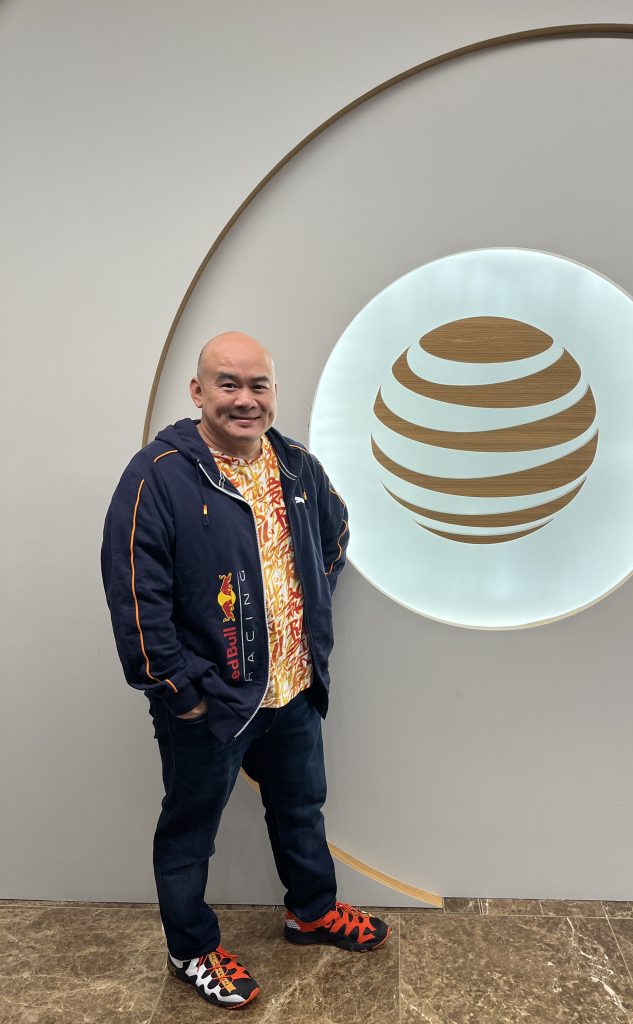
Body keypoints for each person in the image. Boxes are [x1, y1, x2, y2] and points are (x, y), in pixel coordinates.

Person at [101, 331, 389, 1010]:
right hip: (213, 704)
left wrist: (305, 615)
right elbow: (136, 595)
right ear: (197, 392)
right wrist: (182, 692)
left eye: (258, 385)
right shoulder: (158, 476)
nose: (245, 399)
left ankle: (311, 912)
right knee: (189, 832)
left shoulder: (296, 467)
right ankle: (191, 948)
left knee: (300, 809)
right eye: (228, 384)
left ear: (273, 395)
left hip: (291, 690)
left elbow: (336, 535)